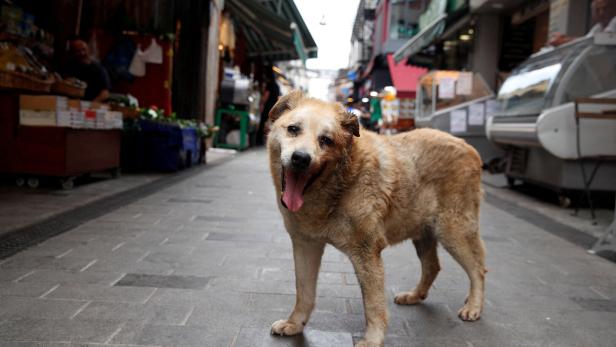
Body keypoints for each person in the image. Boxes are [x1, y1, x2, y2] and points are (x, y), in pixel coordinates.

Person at [549, 0, 616, 46]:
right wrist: (564, 40)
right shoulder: (597, 28)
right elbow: (587, 40)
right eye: (597, 10)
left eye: (605, 8)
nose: (601, 13)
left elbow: (605, 39)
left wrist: (564, 41)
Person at [256, 70, 280, 146]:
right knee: (272, 124)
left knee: (262, 123)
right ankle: (272, 140)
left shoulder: (269, 84)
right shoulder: (277, 85)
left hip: (267, 107)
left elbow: (266, 96)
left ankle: (259, 140)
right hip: (274, 107)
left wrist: (261, 104)